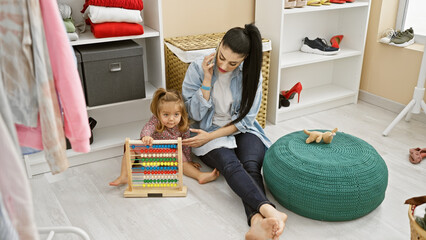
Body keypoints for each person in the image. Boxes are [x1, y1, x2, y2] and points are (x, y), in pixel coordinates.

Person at [182, 24, 287, 240]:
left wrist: (211, 137)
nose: (223, 65)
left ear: (244, 59)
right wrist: (207, 80)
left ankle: (257, 221)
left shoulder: (252, 74)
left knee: (251, 166)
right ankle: (269, 211)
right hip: (206, 129)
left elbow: (247, 120)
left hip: (240, 129)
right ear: (220, 44)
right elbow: (192, 112)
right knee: (231, 165)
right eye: (221, 57)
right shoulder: (197, 67)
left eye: (233, 63)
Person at [109, 88, 219, 186]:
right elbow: (148, 127)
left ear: (181, 113)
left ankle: (199, 175)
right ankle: (124, 176)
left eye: (176, 114)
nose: (171, 119)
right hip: (152, 151)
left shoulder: (183, 127)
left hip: (169, 156)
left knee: (180, 156)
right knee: (130, 148)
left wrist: (189, 161)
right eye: (166, 115)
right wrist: (146, 136)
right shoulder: (156, 121)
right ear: (158, 114)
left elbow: (185, 145)